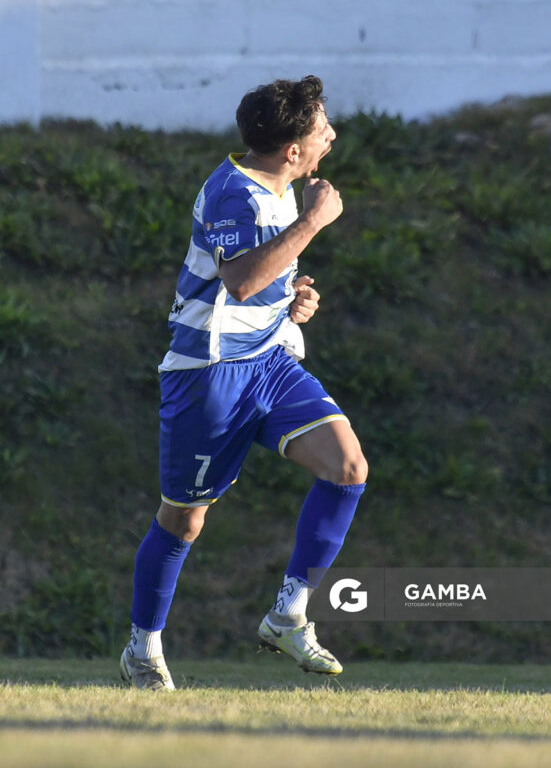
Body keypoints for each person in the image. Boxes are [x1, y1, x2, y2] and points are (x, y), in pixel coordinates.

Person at [120, 75, 368, 691]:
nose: (331, 136)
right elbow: (239, 281)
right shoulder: (236, 192)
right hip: (209, 376)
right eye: (321, 131)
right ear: (292, 150)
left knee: (348, 468)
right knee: (184, 520)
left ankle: (287, 614)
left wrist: (296, 299)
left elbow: (265, 278)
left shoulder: (280, 186)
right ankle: (142, 648)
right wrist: (314, 224)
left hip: (270, 364)